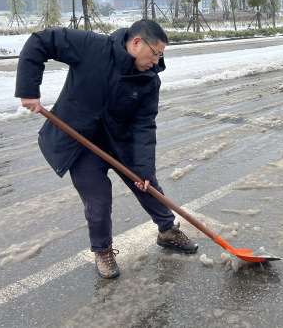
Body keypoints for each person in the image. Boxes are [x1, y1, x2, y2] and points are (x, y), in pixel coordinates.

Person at [15, 19, 198, 279]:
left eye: (161, 55)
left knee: (148, 185)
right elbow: (40, 41)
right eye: (155, 53)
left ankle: (168, 231)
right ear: (137, 43)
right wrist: (28, 89)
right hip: (81, 143)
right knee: (98, 200)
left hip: (120, 142)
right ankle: (102, 250)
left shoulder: (149, 81)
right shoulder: (92, 47)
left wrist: (144, 169)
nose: (157, 61)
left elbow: (144, 126)